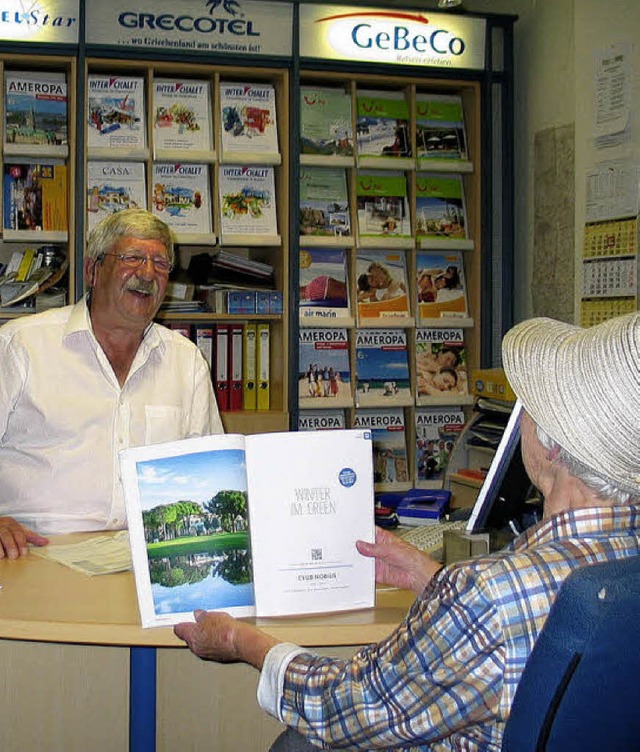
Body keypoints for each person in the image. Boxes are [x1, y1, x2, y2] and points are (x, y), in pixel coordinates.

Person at [174, 312, 640, 751]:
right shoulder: (618, 560)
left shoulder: (488, 594)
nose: (520, 421)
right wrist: (429, 576)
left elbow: (352, 706)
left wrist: (242, 642)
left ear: (553, 446)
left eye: (530, 410)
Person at [0, 208, 223, 559]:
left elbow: (214, 475)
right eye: (133, 258)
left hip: (150, 559)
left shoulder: (186, 361)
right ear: (92, 270)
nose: (147, 274)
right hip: (32, 551)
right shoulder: (21, 345)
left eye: (161, 264)